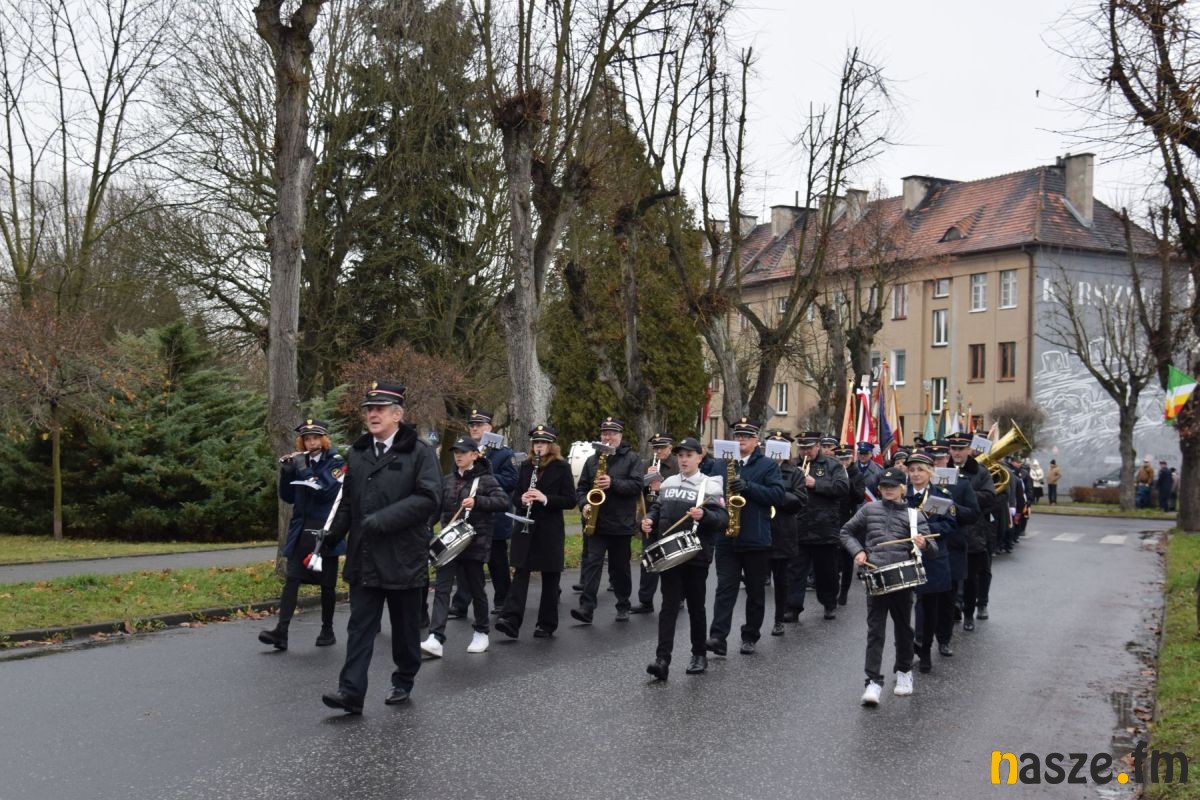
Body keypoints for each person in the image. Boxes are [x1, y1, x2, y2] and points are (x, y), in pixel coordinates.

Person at [321, 382, 442, 714]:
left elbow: (429, 498)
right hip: (364, 556)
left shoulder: (419, 452)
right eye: (369, 410)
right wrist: (333, 533)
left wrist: (383, 519)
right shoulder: (358, 452)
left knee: (404, 630)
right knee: (360, 627)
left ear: (397, 415)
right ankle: (351, 692)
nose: (372, 415)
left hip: (403, 556)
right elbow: (348, 501)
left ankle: (404, 678)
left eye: (380, 409)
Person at [839, 467, 935, 705]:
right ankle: (873, 681)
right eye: (884, 487)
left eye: (892, 487)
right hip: (875, 576)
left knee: (904, 630)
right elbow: (846, 532)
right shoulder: (868, 509)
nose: (888, 490)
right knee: (875, 631)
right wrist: (858, 551)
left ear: (903, 488)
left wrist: (924, 544)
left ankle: (904, 672)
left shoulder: (915, 516)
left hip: (903, 579)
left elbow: (934, 549)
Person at [642, 437, 728, 679]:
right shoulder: (668, 482)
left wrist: (704, 516)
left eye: (689, 455)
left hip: (696, 554)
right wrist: (649, 519)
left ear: (699, 458)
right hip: (669, 553)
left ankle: (699, 654)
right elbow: (658, 508)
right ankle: (662, 661)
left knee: (696, 606)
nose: (683, 460)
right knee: (668, 607)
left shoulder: (710, 485)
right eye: (680, 455)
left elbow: (723, 519)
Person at [259, 419, 346, 651]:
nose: (311, 443)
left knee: (327, 585)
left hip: (325, 528)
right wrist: (287, 472)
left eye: (315, 438)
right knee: (292, 579)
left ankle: (327, 629)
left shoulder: (336, 462)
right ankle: (281, 632)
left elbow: (324, 491)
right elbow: (288, 497)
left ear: (324, 440)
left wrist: (304, 469)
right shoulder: (301, 461)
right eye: (307, 439)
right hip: (301, 529)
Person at [422, 436, 510, 657]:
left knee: (476, 588)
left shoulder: (486, 480)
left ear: (474, 455)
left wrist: (478, 501)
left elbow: (503, 502)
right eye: (456, 452)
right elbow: (437, 509)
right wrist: (425, 527)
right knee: (442, 588)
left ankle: (481, 632)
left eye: (463, 452)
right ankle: (435, 638)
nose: (458, 456)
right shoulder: (447, 480)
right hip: (449, 544)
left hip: (475, 543)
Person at [706, 418, 785, 656]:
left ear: (756, 440)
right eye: (738, 436)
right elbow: (710, 494)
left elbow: (777, 495)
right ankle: (718, 637)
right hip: (726, 537)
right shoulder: (721, 464)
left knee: (755, 591)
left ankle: (750, 635)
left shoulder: (768, 465)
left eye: (746, 437)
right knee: (725, 589)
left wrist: (748, 487)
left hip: (755, 537)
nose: (741, 440)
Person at [496, 425, 577, 639]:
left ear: (551, 445)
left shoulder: (562, 467)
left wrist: (545, 498)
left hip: (549, 529)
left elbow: (570, 500)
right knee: (520, 572)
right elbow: (515, 496)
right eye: (536, 443)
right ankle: (511, 620)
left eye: (543, 443)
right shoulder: (526, 466)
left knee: (550, 576)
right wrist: (522, 499)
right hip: (525, 527)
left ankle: (546, 624)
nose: (539, 446)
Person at [572, 417, 644, 624]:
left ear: (620, 436)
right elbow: (582, 488)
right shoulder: (592, 460)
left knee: (619, 568)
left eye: (612, 433)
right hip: (596, 523)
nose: (607, 437)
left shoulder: (632, 458)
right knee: (592, 565)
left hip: (621, 523)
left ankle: (623, 604)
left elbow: (637, 486)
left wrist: (613, 483)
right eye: (605, 433)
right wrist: (584, 504)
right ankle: (586, 608)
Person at [449, 409, 518, 617]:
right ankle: (461, 604)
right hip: (470, 517)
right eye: (472, 424)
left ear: (490, 427)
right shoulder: (464, 451)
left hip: (494, 517)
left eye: (479, 424)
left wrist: (485, 476)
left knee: (497, 562)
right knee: (466, 563)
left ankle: (502, 601)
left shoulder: (503, 453)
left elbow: (512, 480)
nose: (475, 428)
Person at [905, 453, 966, 674]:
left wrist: (924, 531)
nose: (915, 474)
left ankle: (925, 650)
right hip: (904, 556)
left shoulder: (940, 496)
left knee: (930, 606)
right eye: (912, 470)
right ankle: (908, 648)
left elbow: (949, 525)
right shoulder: (901, 494)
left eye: (920, 470)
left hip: (933, 558)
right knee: (903, 607)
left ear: (930, 472)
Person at [785, 430, 850, 623]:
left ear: (818, 446)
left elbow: (842, 488)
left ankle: (829, 603)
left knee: (827, 572)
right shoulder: (792, 465)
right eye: (802, 448)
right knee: (795, 571)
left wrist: (816, 484)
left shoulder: (833, 465)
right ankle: (793, 607)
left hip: (824, 527)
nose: (805, 452)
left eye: (809, 448)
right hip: (798, 526)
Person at [946, 432, 997, 631]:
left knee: (971, 577)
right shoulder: (942, 470)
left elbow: (990, 496)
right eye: (954, 448)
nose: (957, 453)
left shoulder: (980, 472)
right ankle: (952, 610)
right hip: (949, 530)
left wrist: (965, 495)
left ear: (969, 450)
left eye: (961, 449)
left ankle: (969, 613)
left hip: (972, 530)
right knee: (950, 575)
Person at [632, 433, 679, 614]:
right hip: (649, 517)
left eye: (662, 447)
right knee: (649, 560)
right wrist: (645, 480)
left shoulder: (677, 465)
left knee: (672, 560)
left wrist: (662, 485)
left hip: (671, 519)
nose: (658, 451)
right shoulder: (646, 464)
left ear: (670, 447)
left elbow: (681, 488)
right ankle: (646, 601)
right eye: (655, 448)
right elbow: (635, 489)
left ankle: (677, 598)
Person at [765, 431, 806, 636]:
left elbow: (800, 500)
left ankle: (779, 618)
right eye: (772, 444)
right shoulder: (759, 468)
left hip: (783, 531)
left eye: (780, 445)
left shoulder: (795, 473)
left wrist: (774, 492)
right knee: (756, 581)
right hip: (760, 529)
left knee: (781, 580)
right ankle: (753, 625)